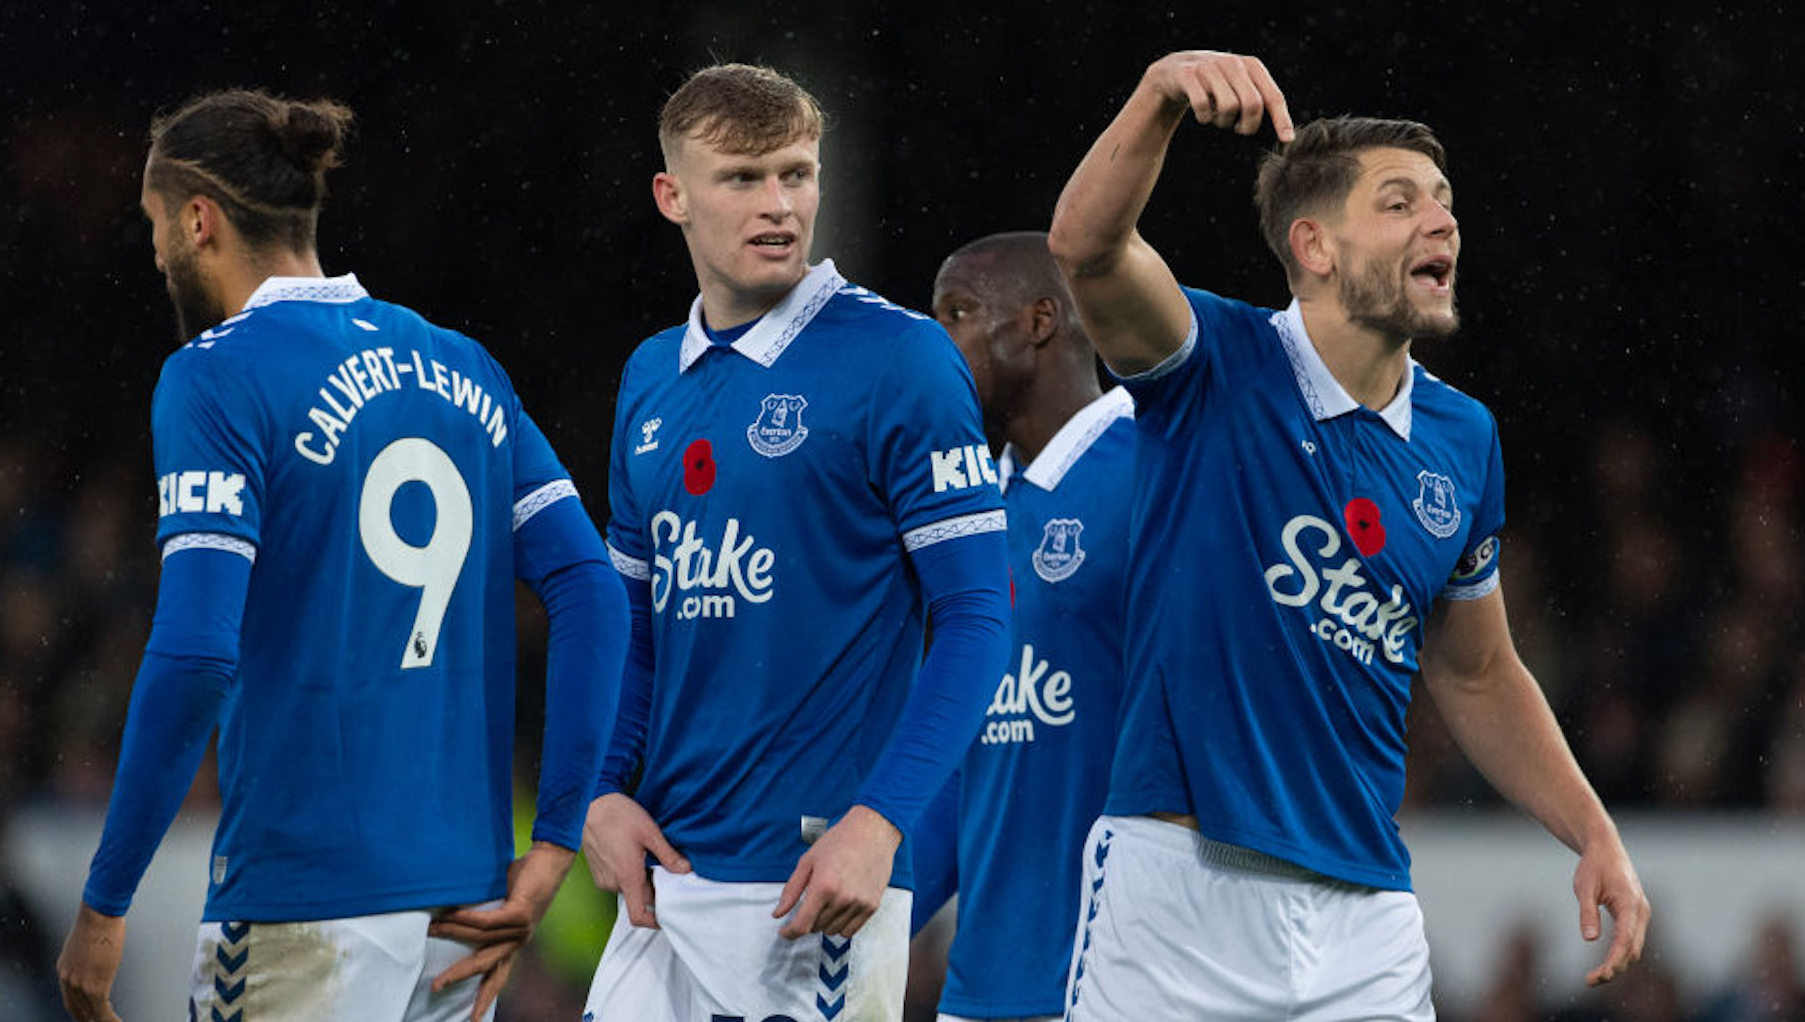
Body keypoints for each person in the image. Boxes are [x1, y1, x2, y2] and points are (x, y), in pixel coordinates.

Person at [1046, 50, 1651, 1020]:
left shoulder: (1463, 438)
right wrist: (1157, 97)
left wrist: (1592, 831)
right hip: (1180, 893)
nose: (1442, 219)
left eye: (1445, 200)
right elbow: (1084, 248)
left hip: (1366, 915)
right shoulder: (1215, 362)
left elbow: (1477, 673)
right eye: (1400, 201)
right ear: (1315, 246)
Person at [55, 89, 627, 1022]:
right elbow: (593, 593)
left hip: (303, 895)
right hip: (464, 906)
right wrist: (555, 841)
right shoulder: (464, 365)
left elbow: (198, 654)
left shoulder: (216, 373)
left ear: (200, 221)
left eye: (155, 226)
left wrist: (105, 899)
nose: (155, 253)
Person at [581, 63, 1013, 1021]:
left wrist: (881, 821)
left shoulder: (900, 360)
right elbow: (634, 628)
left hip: (816, 885)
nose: (778, 205)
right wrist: (600, 792)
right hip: (663, 887)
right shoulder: (650, 377)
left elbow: (980, 615)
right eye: (742, 179)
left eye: (797, 174)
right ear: (673, 196)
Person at [908, 232, 1134, 1022]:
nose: (932, 342)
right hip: (983, 990)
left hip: (1133, 982)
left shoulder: (1158, 472)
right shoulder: (967, 512)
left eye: (958, 313)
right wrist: (859, 923)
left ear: (1042, 320)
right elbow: (962, 771)